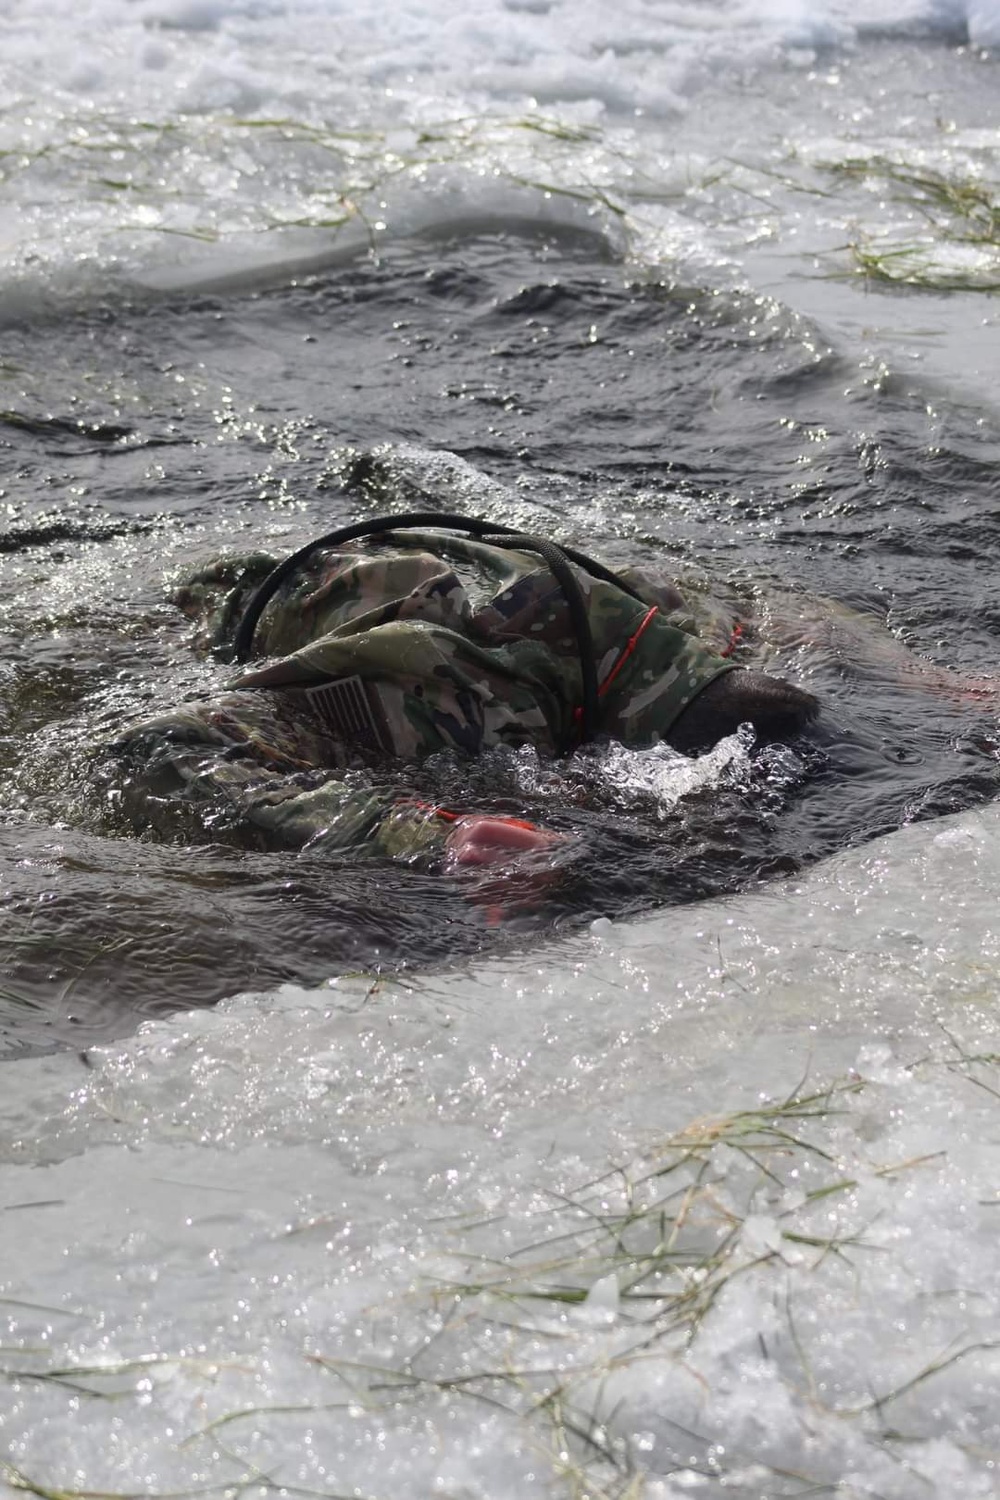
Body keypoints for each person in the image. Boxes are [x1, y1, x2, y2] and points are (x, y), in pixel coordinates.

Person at [110, 521, 819, 873]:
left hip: (456, 561)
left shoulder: (672, 621)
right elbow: (151, 747)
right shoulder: (422, 695)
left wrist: (912, 673)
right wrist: (431, 835)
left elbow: (775, 614)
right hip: (231, 596)